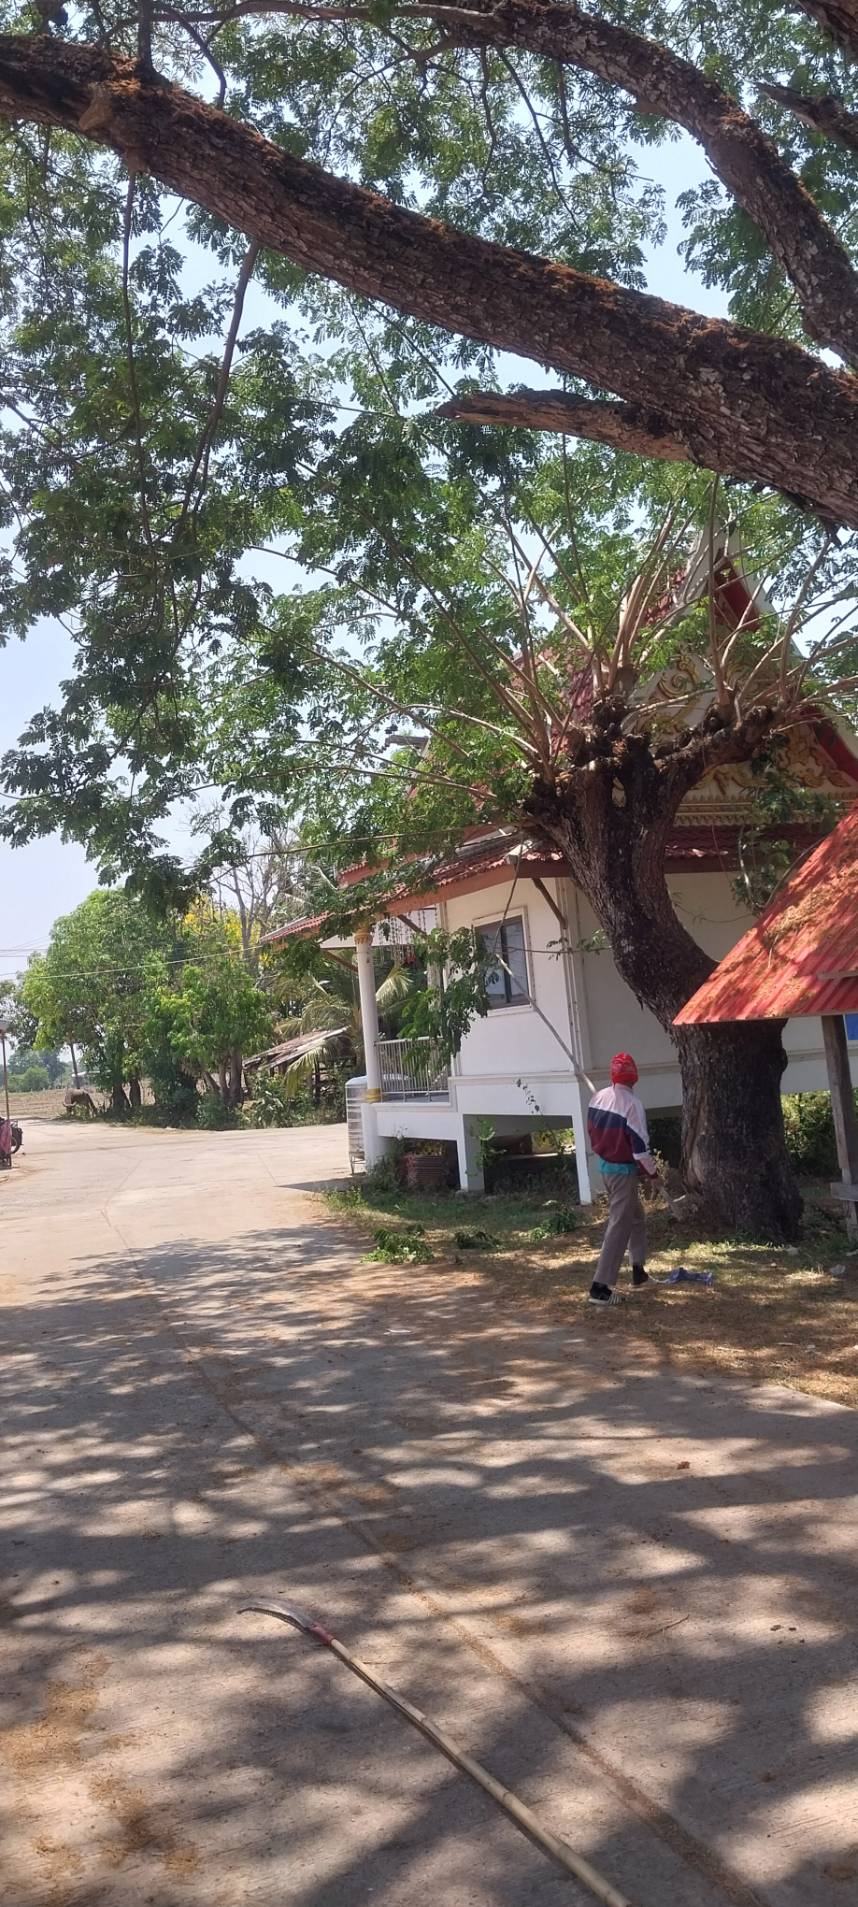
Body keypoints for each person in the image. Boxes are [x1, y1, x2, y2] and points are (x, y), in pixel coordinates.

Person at [586, 1053, 658, 1306]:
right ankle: (600, 1288)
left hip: (606, 1169)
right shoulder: (632, 1104)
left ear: (613, 1075)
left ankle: (638, 1269)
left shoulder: (598, 1097)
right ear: (634, 1076)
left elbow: (592, 1131)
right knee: (619, 1225)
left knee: (636, 1217)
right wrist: (653, 1175)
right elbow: (640, 1148)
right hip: (623, 1173)